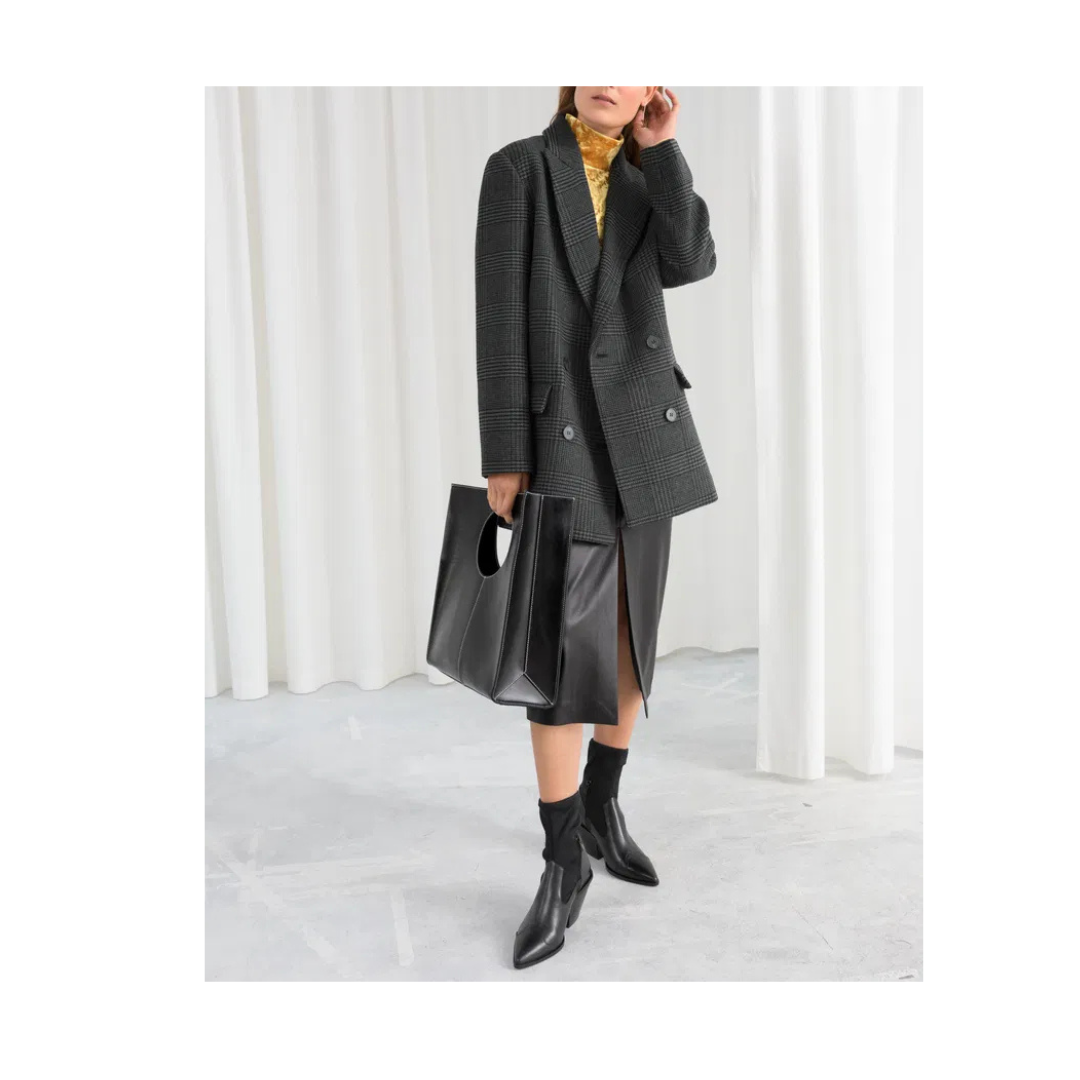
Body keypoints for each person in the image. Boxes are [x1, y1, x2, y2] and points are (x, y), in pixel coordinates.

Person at [475, 86, 719, 969]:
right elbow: (499, 320)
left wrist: (665, 151)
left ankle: (603, 805)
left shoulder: (651, 175)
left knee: (626, 641)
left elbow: (691, 262)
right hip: (562, 439)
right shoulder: (520, 170)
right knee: (555, 663)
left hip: (644, 436)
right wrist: (506, 454)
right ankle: (560, 858)